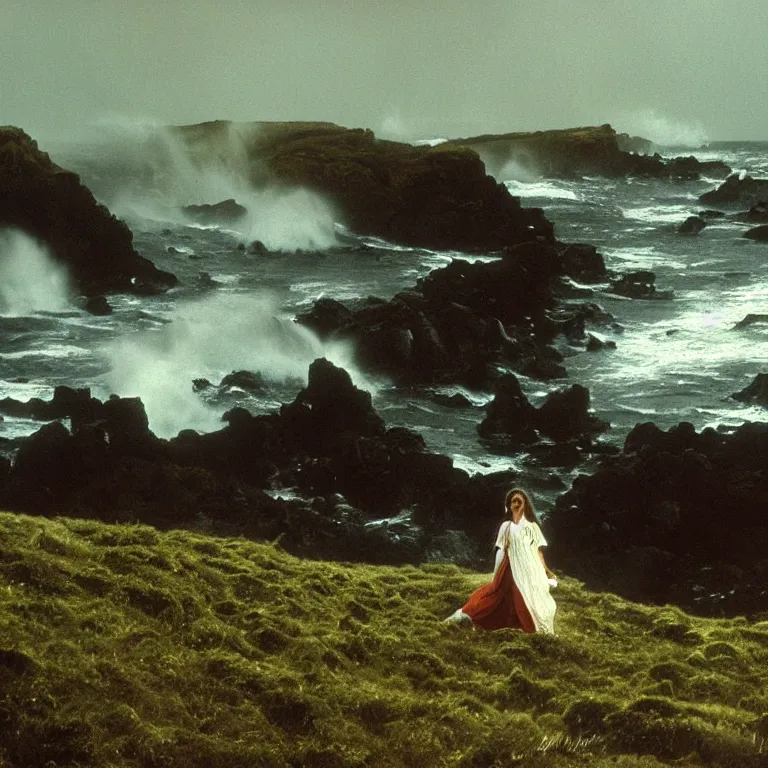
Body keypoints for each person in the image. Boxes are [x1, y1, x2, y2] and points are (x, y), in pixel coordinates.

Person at [444, 488, 557, 633]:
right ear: (509, 506)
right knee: (498, 596)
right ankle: (468, 615)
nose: (516, 503)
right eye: (513, 501)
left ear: (525, 504)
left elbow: (538, 551)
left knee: (527, 597)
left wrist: (546, 571)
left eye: (519, 501)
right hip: (509, 567)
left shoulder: (532, 527)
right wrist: (498, 571)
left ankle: (528, 628)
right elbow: (502, 550)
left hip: (528, 568)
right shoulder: (506, 526)